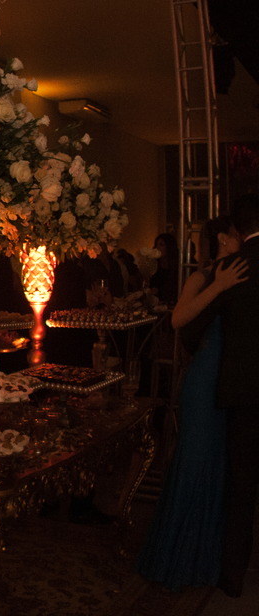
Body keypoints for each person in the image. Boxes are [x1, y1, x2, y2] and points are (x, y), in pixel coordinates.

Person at [136, 216, 247, 590]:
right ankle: (178, 558)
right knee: (196, 460)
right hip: (204, 381)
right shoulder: (205, 276)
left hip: (227, 379)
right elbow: (179, 318)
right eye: (238, 236)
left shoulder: (237, 272)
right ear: (224, 239)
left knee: (217, 466)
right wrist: (217, 287)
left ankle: (205, 556)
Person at [216, 194, 259, 597]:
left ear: (237, 231)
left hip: (243, 389)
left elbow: (201, 330)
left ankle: (232, 576)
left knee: (242, 485)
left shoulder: (234, 266)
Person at [150, 232, 180, 306]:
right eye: (156, 245)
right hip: (157, 303)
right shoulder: (155, 264)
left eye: (161, 245)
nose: (157, 248)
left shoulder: (177, 265)